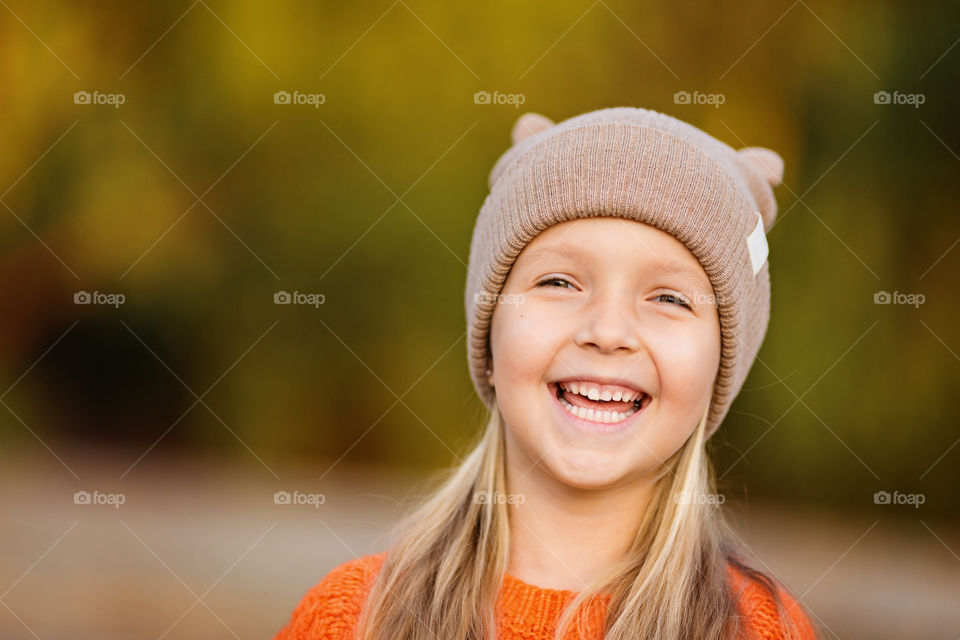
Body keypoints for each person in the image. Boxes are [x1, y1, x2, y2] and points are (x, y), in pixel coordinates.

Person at [272, 107, 819, 640]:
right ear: (490, 331)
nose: (607, 331)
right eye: (558, 282)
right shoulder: (351, 619)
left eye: (671, 297)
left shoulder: (760, 630)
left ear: (720, 366)